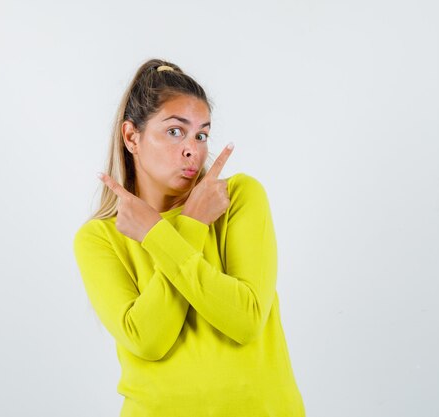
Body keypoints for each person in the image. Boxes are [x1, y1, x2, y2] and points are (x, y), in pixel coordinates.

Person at [73, 58, 306, 417]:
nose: (192, 150)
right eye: (175, 131)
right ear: (131, 136)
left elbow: (245, 321)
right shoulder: (99, 237)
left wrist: (163, 233)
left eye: (201, 134)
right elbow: (148, 340)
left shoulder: (238, 197)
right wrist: (188, 226)